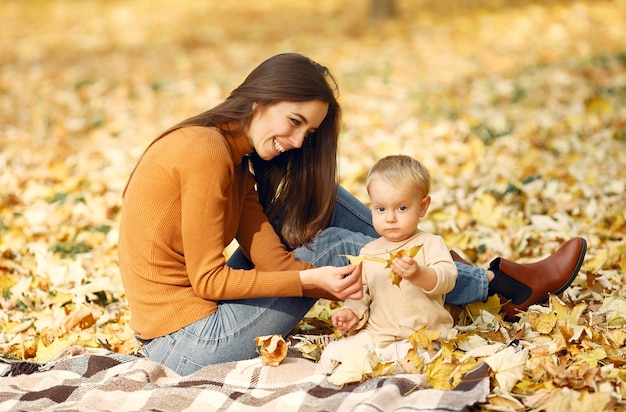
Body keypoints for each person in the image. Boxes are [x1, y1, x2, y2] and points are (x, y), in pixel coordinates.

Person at [118, 53, 587, 376]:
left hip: (195, 324)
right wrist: (314, 281)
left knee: (323, 199)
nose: (300, 142)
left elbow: (274, 262)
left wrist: (322, 281)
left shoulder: (236, 161)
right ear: (259, 99)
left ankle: (461, 281)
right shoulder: (204, 150)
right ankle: (488, 286)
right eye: (295, 122)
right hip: (184, 343)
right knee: (340, 247)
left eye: (310, 130)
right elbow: (208, 282)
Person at [319, 155, 457, 367]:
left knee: (421, 364)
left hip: (421, 337)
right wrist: (351, 312)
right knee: (332, 354)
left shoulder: (429, 243)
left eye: (402, 208)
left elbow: (447, 278)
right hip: (377, 336)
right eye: (381, 209)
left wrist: (420, 274)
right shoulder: (368, 252)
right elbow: (360, 295)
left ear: (422, 207)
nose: (390, 218)